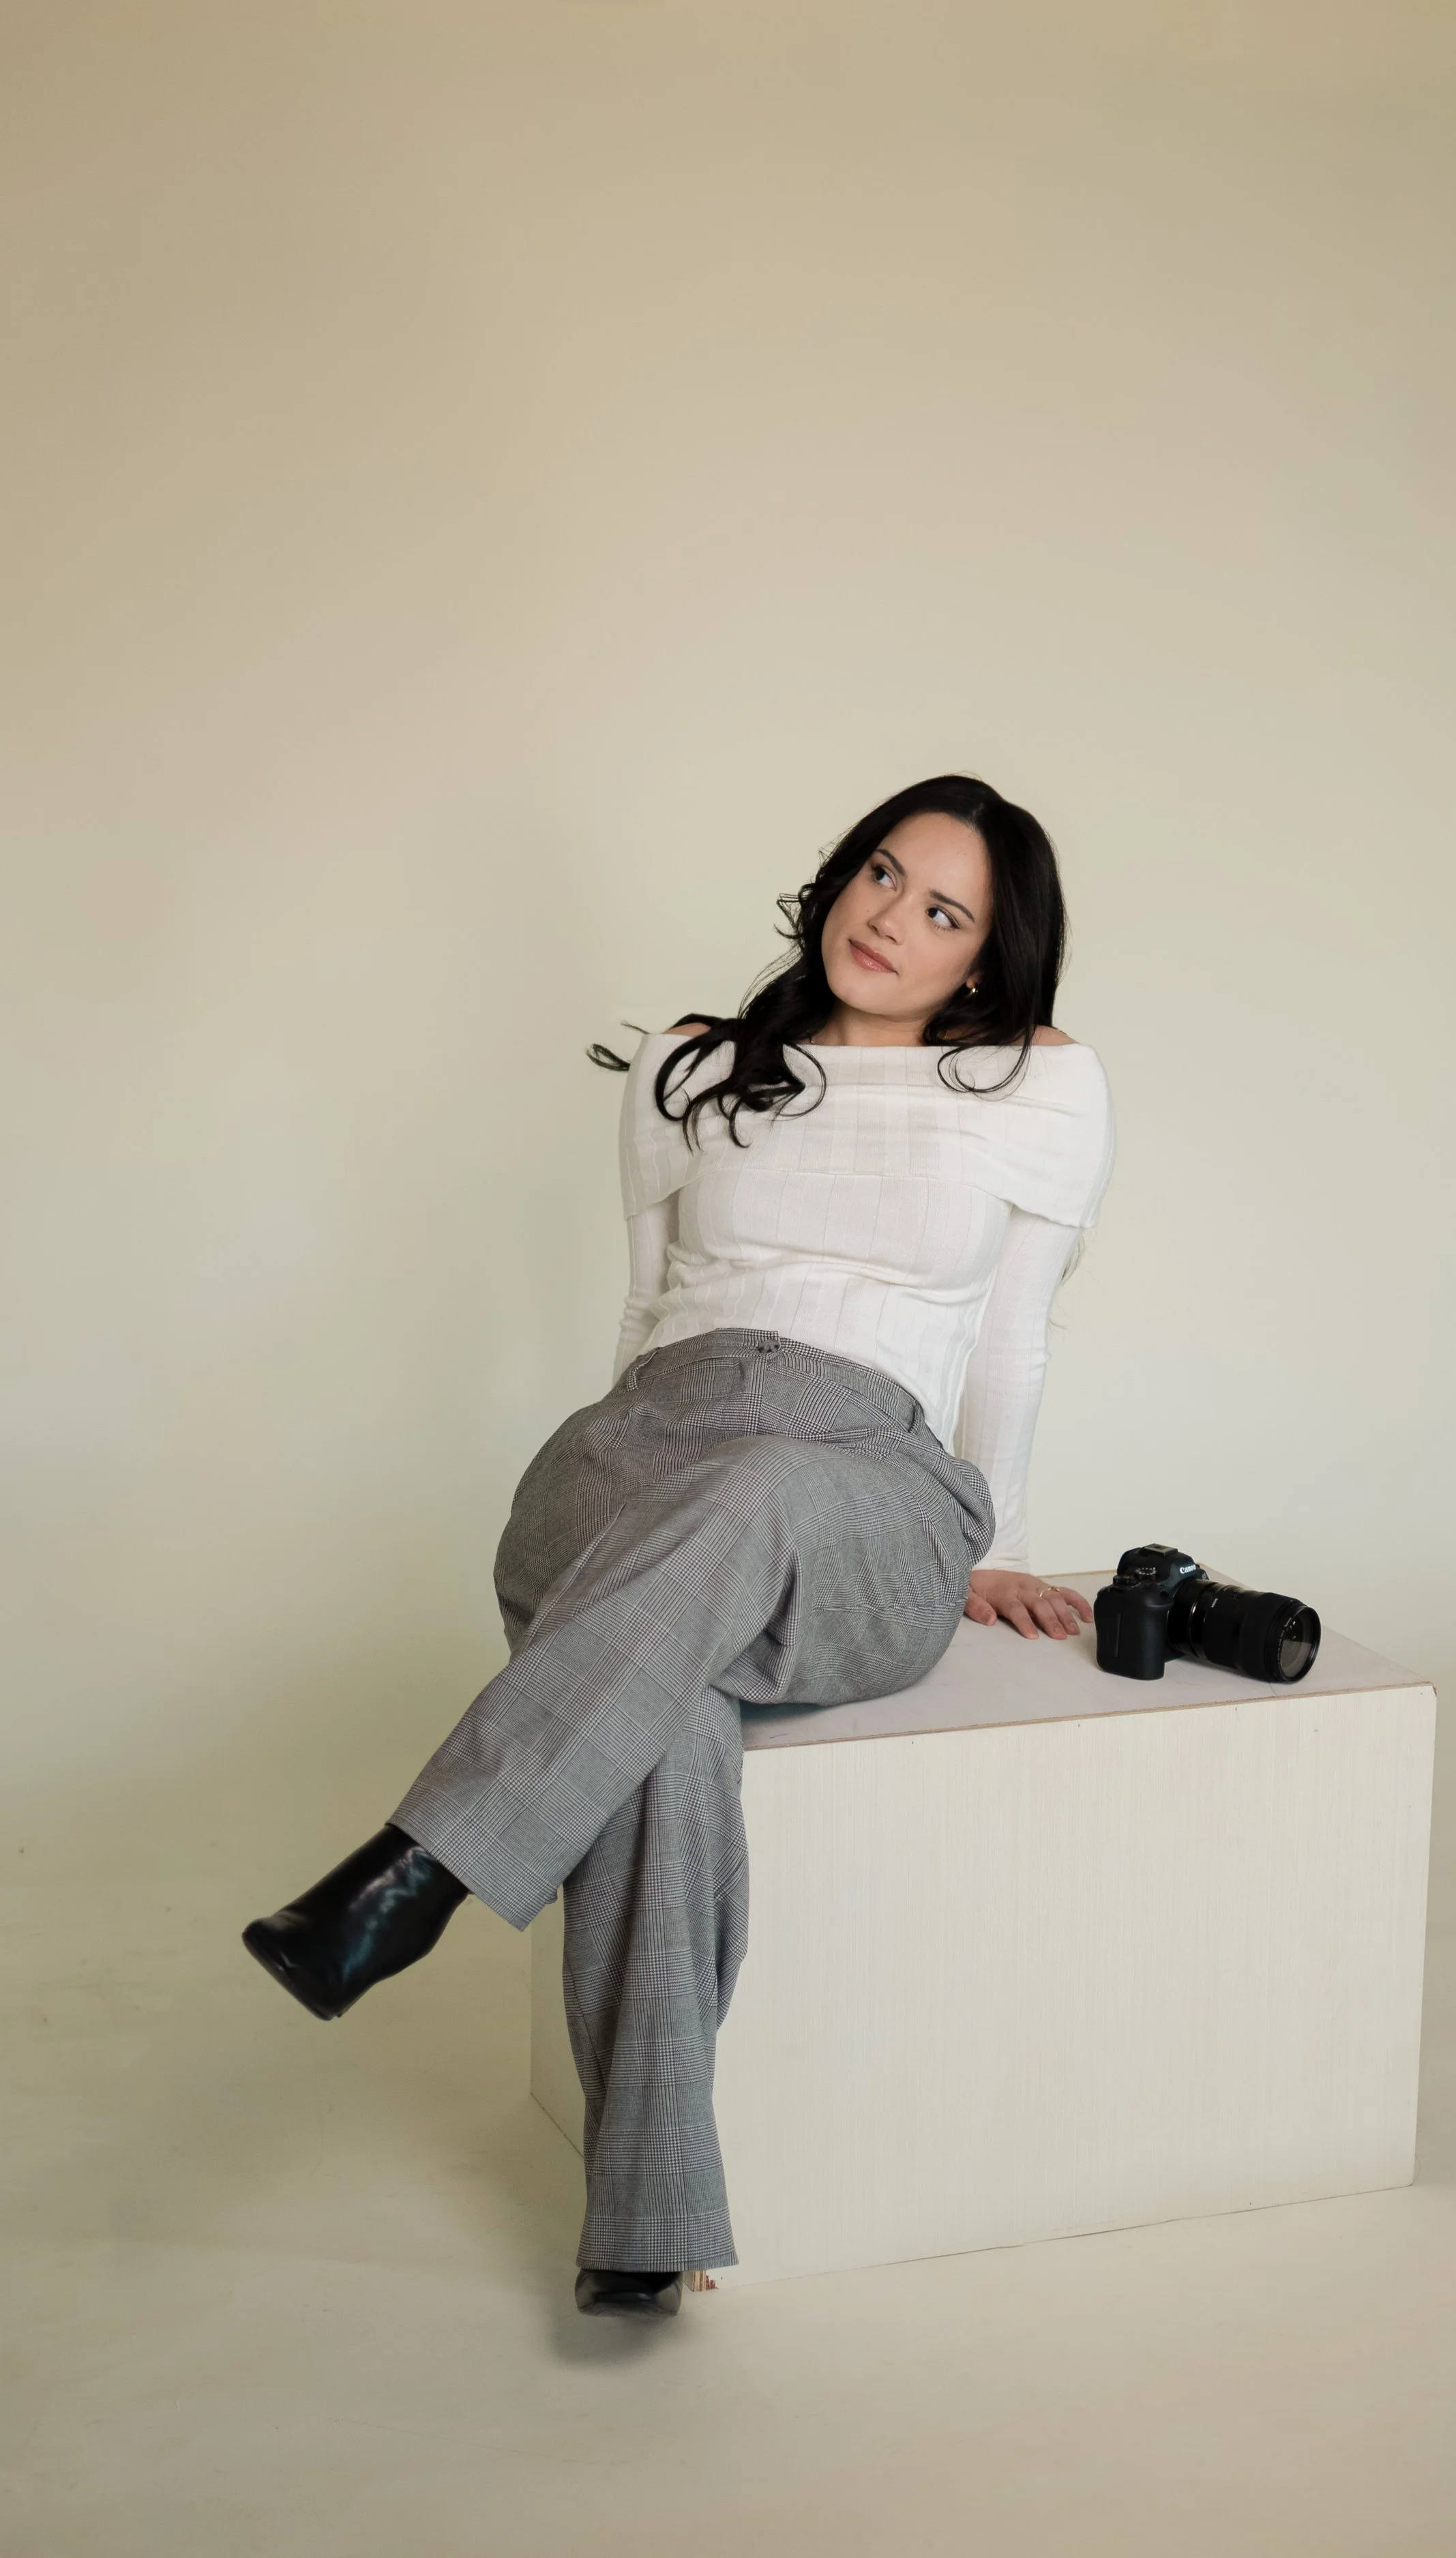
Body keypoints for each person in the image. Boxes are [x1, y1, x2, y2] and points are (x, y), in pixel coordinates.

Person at [242, 774, 1116, 2317]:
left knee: (762, 1490)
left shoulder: (1031, 1087)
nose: (886, 917)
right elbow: (644, 1316)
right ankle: (645, 2222)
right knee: (665, 1723)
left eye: (940, 911)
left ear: (983, 958)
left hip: (858, 1489)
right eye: (877, 873)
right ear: (834, 876)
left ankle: (417, 1870)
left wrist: (993, 1535)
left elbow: (1011, 1347)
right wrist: (647, 1478)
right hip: (639, 1456)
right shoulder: (686, 1068)